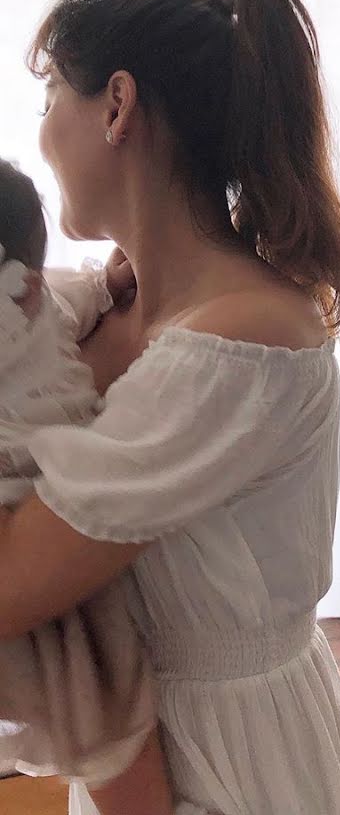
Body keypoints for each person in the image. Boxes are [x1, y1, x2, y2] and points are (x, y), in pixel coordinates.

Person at [0, 0, 340, 814]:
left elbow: (10, 584)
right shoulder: (111, 304)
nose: (43, 136)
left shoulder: (243, 346)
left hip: (235, 751)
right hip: (141, 734)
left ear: (117, 106)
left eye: (50, 98)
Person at [0, 159, 174, 815]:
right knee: (107, 720)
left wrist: (107, 282)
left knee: (104, 721)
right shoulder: (29, 305)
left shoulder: (41, 304)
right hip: (34, 549)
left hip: (45, 540)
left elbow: (72, 296)